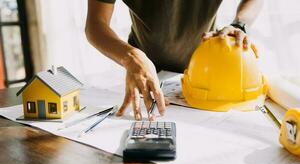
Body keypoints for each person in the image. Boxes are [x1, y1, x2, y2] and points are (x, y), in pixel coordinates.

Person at [85, 0, 263, 121]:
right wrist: (131, 57)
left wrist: (240, 24)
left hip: (206, 75)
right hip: (145, 75)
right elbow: (95, 24)